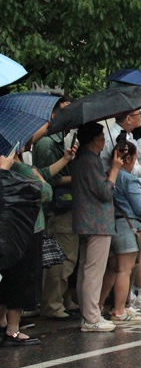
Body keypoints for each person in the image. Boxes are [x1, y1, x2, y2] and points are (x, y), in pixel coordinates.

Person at [0, 125, 67, 345]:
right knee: (21, 280)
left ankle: (4, 325)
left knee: (7, 281)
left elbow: (45, 174)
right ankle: (13, 329)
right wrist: (39, 177)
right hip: (27, 228)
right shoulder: (17, 167)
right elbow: (45, 191)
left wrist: (65, 159)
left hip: (11, 230)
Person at [70, 122, 122, 332]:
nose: (104, 140)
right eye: (101, 136)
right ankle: (92, 317)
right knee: (93, 271)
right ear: (95, 139)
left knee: (85, 269)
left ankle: (87, 313)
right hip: (98, 222)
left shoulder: (80, 160)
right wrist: (115, 170)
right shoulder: (91, 162)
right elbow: (105, 192)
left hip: (84, 220)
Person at [32, 97, 81, 320]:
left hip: (66, 206)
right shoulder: (45, 143)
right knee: (60, 259)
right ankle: (52, 304)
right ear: (53, 116)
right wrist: (76, 177)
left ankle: (62, 299)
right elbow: (45, 178)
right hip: (56, 209)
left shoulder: (60, 141)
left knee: (69, 258)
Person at [100, 142, 141, 322]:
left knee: (111, 269)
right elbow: (140, 208)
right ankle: (119, 310)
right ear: (128, 158)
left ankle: (99, 306)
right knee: (125, 270)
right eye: (135, 158)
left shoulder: (108, 175)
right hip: (127, 225)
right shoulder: (129, 179)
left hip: (111, 224)